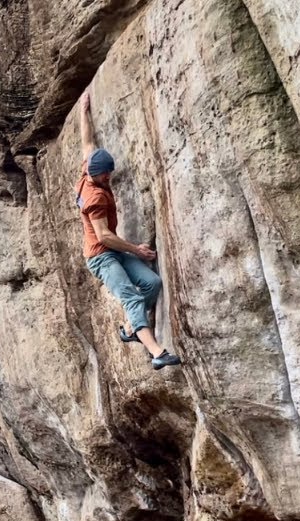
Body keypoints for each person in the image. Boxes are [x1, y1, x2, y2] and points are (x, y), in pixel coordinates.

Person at [76, 91, 181, 370]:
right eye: (105, 175)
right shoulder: (95, 197)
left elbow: (87, 143)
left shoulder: (89, 168)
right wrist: (137, 249)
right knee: (132, 296)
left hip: (115, 250)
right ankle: (157, 352)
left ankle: (129, 326)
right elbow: (104, 236)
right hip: (102, 256)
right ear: (95, 176)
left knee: (152, 283)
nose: (109, 177)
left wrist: (83, 111)